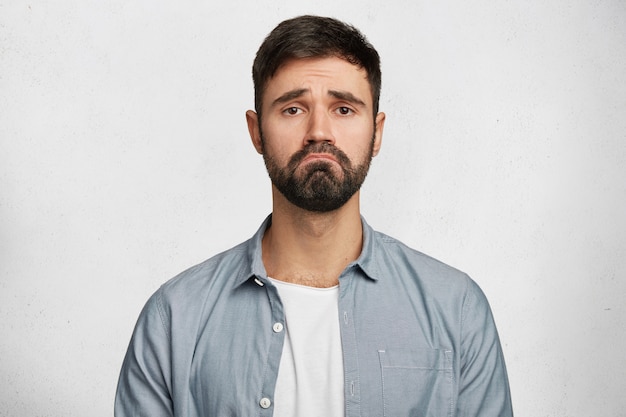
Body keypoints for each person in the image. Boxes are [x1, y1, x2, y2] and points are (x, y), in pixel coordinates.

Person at [114, 15, 513, 417]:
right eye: (292, 109)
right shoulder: (174, 320)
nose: (319, 131)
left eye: (343, 109)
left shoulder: (456, 310)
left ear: (377, 133)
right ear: (256, 132)